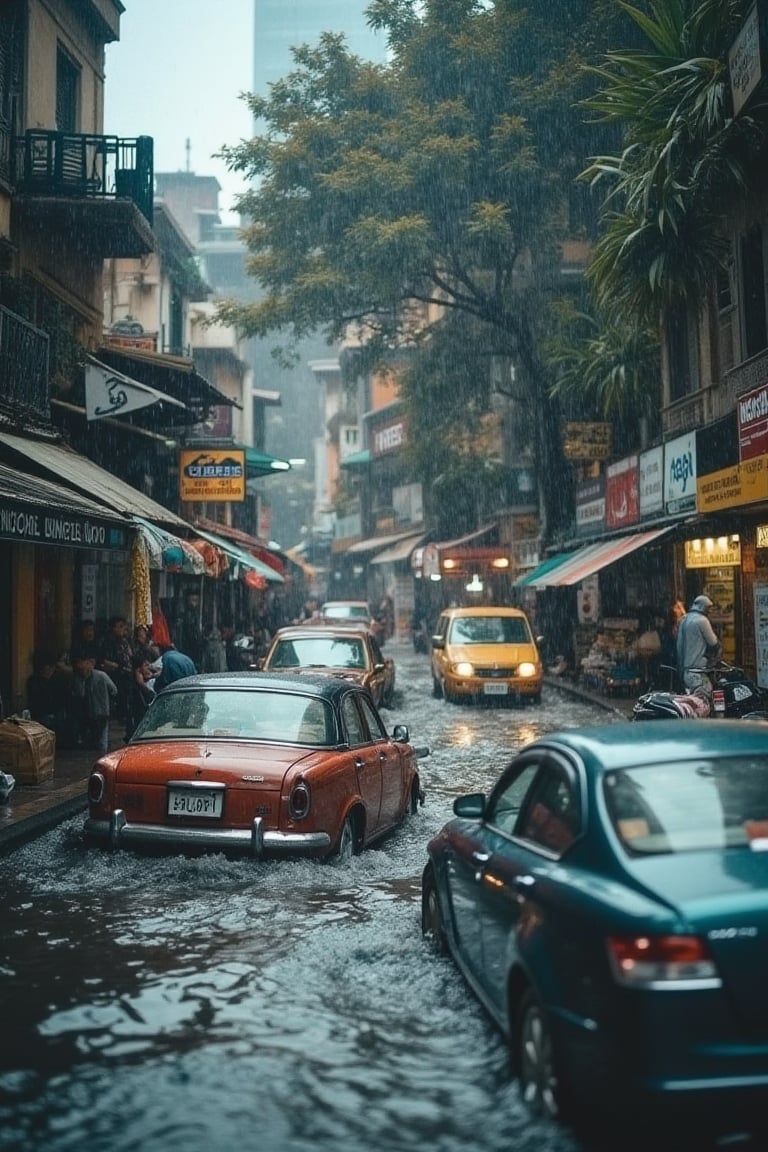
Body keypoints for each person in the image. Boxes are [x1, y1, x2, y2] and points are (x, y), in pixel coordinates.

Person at [68, 652, 117, 754]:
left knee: (102, 736)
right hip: (86, 712)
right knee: (93, 735)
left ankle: (102, 753)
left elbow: (114, 690)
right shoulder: (78, 678)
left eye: (85, 663)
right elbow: (78, 694)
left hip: (101, 710)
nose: (82, 666)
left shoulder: (101, 676)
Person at [676, 594, 722, 704]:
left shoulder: (684, 619)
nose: (709, 612)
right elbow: (713, 643)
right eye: (708, 608)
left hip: (686, 670)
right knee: (706, 700)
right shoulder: (702, 620)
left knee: (692, 702)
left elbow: (679, 646)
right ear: (703, 607)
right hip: (698, 670)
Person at [26, 651, 71, 744]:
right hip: (42, 716)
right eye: (50, 668)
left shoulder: (56, 681)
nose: (52, 670)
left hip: (54, 715)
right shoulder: (34, 681)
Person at [97, 615, 134, 720]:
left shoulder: (125, 641)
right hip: (114, 673)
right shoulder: (106, 642)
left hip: (126, 671)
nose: (124, 629)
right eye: (120, 626)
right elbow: (102, 660)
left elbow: (131, 656)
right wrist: (118, 666)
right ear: (113, 628)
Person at [124, 652, 156, 740]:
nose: (148, 668)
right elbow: (152, 698)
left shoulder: (150, 681)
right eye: (145, 665)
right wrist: (141, 685)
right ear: (138, 670)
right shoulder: (133, 687)